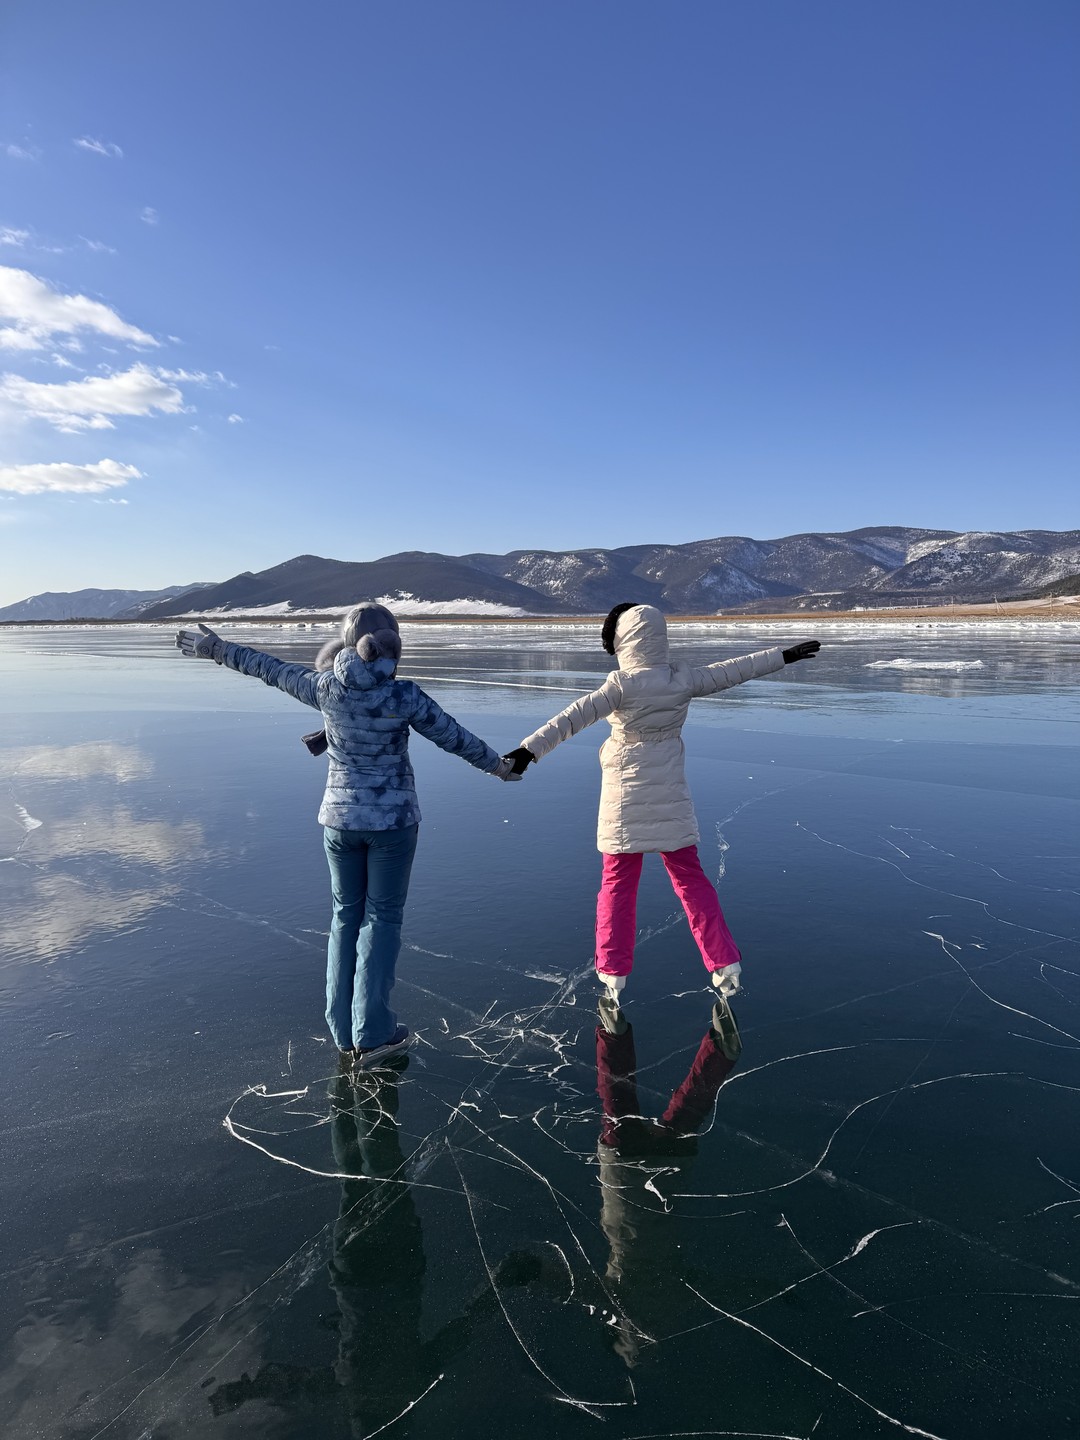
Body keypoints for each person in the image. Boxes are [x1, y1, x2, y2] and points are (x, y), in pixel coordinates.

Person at [176, 604, 522, 1066]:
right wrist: (498, 766)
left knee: (345, 919)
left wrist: (216, 648)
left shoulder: (325, 687)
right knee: (382, 920)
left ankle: (344, 1032)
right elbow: (452, 736)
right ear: (393, 644)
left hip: (339, 822)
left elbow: (269, 668)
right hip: (393, 825)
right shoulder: (404, 696)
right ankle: (374, 1034)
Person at [503, 604, 819, 1006]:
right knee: (690, 876)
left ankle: (612, 972)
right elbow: (735, 670)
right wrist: (783, 656)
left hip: (624, 794)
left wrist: (528, 752)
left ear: (622, 640)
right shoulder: (682, 680)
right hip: (670, 789)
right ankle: (724, 962)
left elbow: (571, 718)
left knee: (618, 881)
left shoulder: (621, 685)